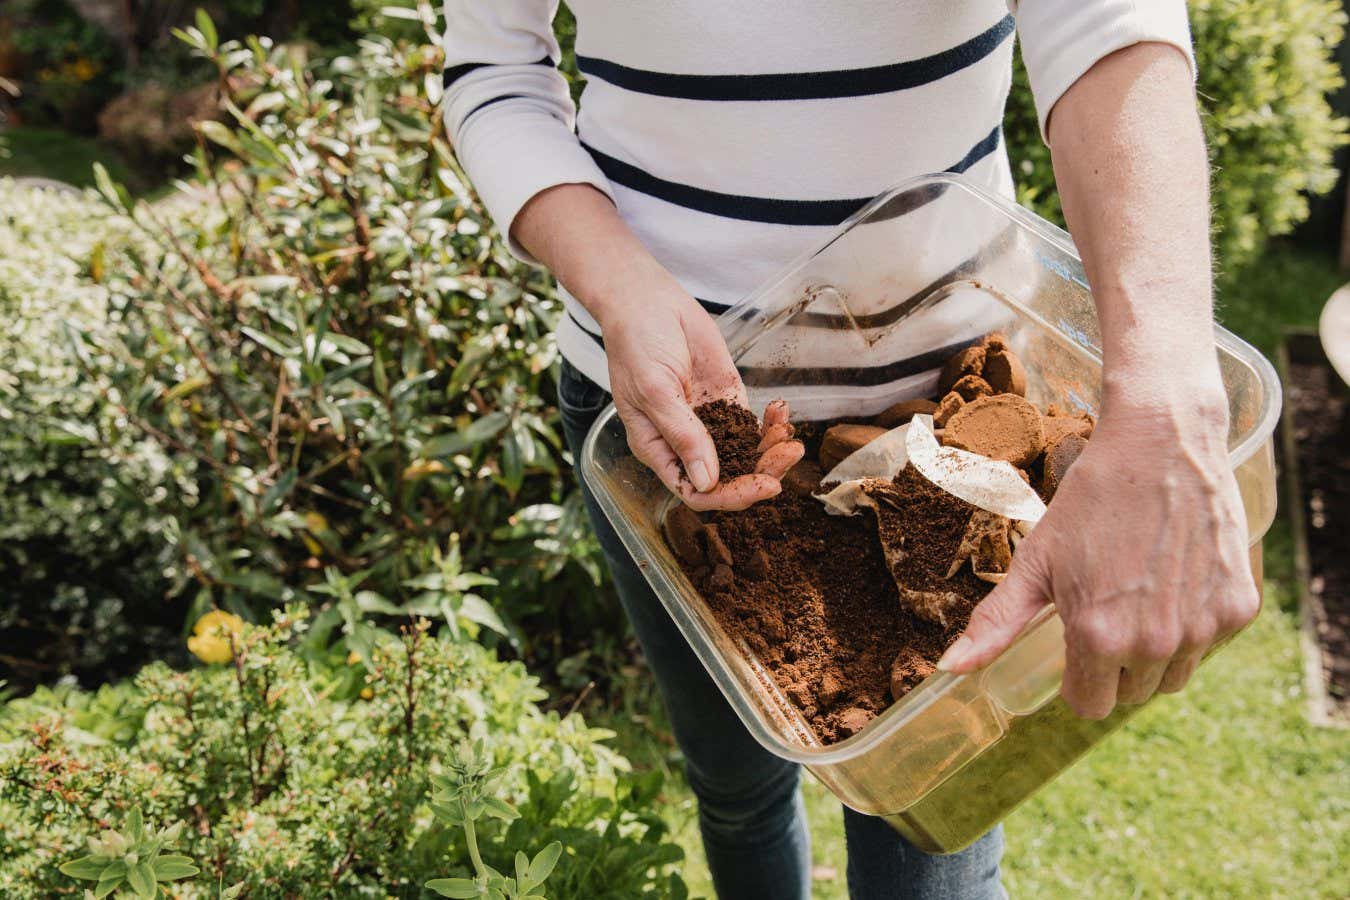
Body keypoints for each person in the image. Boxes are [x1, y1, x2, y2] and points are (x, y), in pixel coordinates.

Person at [440, 3, 1261, 897]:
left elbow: (1108, 25)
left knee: (933, 840)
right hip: (669, 423)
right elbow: (493, 72)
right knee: (738, 787)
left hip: (956, 424)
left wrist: (1165, 410)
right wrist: (620, 284)